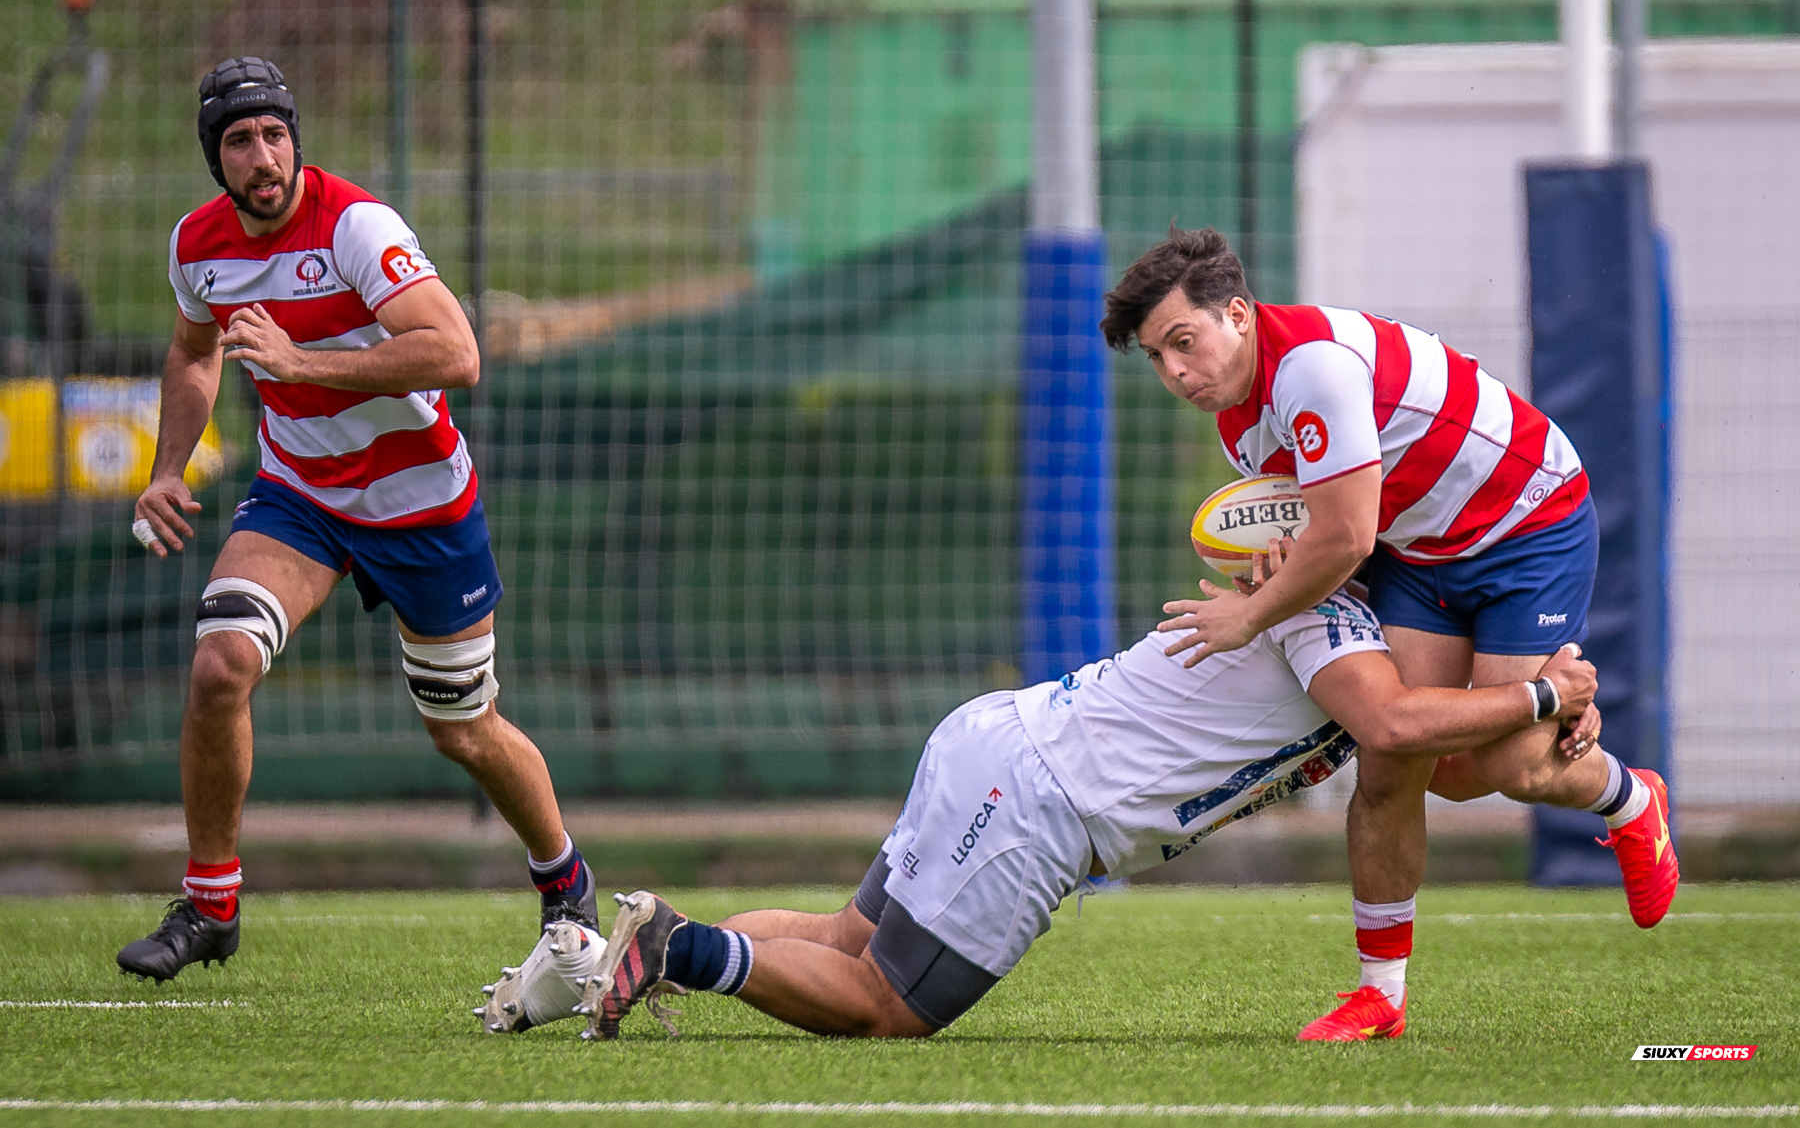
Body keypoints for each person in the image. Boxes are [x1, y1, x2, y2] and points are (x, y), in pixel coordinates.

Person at [472, 569, 1598, 1042]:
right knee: (884, 1006)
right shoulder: (1338, 627)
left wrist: (1543, 720)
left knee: (840, 936)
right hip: (1036, 804)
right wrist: (1544, 691)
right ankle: (675, 944)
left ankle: (598, 956)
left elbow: (1426, 736)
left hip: (994, 738)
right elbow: (1403, 727)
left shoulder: (1300, 606)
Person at [1096, 226, 1677, 1041]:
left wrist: (1249, 614)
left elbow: (1344, 537)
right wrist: (1281, 574)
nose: (1176, 373)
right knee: (1404, 752)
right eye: (1158, 358)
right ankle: (1380, 995)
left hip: (1526, 523)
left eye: (1183, 343)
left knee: (1510, 763)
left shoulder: (1312, 370)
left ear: (1237, 312)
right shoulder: (1240, 418)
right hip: (1416, 547)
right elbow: (1341, 542)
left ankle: (1627, 795)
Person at [116, 57, 597, 982]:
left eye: (275, 134)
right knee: (221, 663)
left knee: (463, 727)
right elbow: (191, 352)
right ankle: (211, 904)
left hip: (422, 506)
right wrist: (166, 467)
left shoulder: (354, 226)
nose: (263, 156)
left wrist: (303, 365)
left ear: (297, 139)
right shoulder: (198, 246)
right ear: (215, 161)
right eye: (240, 141)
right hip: (301, 498)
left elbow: (457, 352)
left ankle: (564, 878)